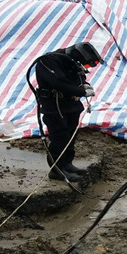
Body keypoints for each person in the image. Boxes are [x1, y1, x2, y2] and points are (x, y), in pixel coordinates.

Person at [33, 41, 102, 182]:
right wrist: (81, 91)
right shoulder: (47, 61)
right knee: (60, 136)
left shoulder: (71, 62)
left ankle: (67, 164)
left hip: (71, 104)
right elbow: (58, 83)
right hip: (54, 105)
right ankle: (56, 169)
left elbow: (79, 77)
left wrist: (85, 85)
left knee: (71, 134)